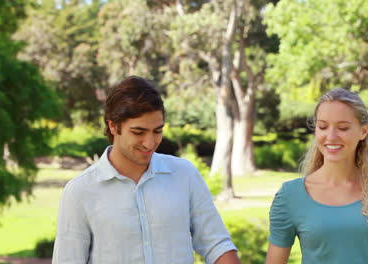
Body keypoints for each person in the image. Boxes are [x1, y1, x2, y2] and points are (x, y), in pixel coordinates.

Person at [52, 76, 240, 264]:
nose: (150, 143)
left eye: (157, 131)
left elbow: (216, 245)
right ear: (113, 125)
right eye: (138, 132)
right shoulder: (80, 192)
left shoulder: (185, 175)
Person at [266, 88, 368, 264]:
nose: (331, 136)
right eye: (323, 127)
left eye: (343, 128)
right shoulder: (290, 195)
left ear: (363, 131)